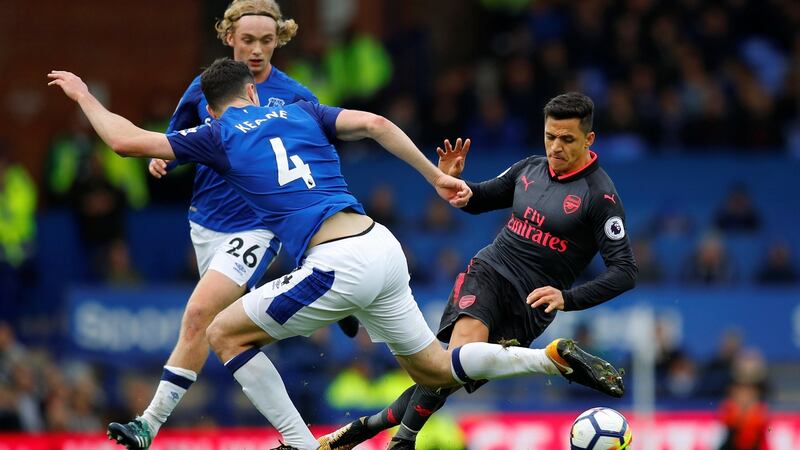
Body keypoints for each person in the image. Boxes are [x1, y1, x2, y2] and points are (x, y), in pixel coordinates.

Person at [48, 61, 624, 450]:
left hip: (336, 263)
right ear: (251, 92)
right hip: (382, 245)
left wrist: (82, 96)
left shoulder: (216, 134)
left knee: (225, 333)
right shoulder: (299, 110)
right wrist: (432, 175)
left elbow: (124, 140)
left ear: (209, 105)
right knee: (431, 368)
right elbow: (374, 123)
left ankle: (302, 448)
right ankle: (550, 357)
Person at [319, 92, 638, 450]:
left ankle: (364, 428)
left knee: (448, 375)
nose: (556, 147)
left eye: (567, 139)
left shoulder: (600, 197)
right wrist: (457, 184)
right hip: (491, 270)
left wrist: (567, 297)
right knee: (457, 355)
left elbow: (626, 271)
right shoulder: (529, 169)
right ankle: (403, 441)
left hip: (530, 307)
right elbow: (478, 199)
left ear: (589, 139)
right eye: (550, 137)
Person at [104, 1, 357, 447]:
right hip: (205, 224)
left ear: (279, 40)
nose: (257, 50)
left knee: (200, 316)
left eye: (266, 41)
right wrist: (163, 165)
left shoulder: (297, 96)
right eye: (247, 41)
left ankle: (149, 424)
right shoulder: (203, 89)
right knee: (226, 335)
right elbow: (176, 137)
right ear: (229, 38)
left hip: (258, 226)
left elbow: (319, 167)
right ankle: (299, 437)